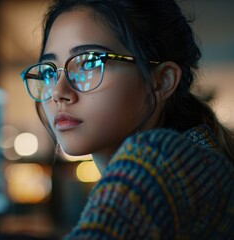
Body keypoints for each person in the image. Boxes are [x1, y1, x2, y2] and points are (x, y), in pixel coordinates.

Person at [19, 0, 234, 239]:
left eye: (89, 63)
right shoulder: (195, 156)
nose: (58, 92)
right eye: (49, 71)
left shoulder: (162, 161)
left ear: (161, 81)